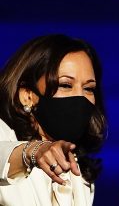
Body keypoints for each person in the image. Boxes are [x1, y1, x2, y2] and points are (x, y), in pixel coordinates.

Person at [0, 34, 106, 205]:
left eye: (88, 88)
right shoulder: (3, 132)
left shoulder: (79, 173)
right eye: (65, 85)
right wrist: (33, 152)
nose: (80, 97)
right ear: (27, 95)